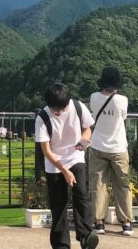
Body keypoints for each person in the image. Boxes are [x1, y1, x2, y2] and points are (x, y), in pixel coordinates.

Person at [36, 83, 100, 249]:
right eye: (54, 110)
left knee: (82, 195)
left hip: (75, 156)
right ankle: (61, 245)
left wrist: (84, 140)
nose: (58, 113)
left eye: (61, 109)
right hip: (54, 162)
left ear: (67, 103)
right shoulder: (42, 117)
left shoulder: (78, 107)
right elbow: (46, 151)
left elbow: (87, 129)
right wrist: (64, 170)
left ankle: (86, 235)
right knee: (58, 205)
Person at [88, 66, 134, 236]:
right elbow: (123, 117)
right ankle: (126, 223)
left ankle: (99, 222)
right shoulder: (122, 100)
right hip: (118, 147)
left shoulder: (94, 97)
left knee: (98, 185)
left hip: (97, 146)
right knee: (123, 185)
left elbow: (94, 116)